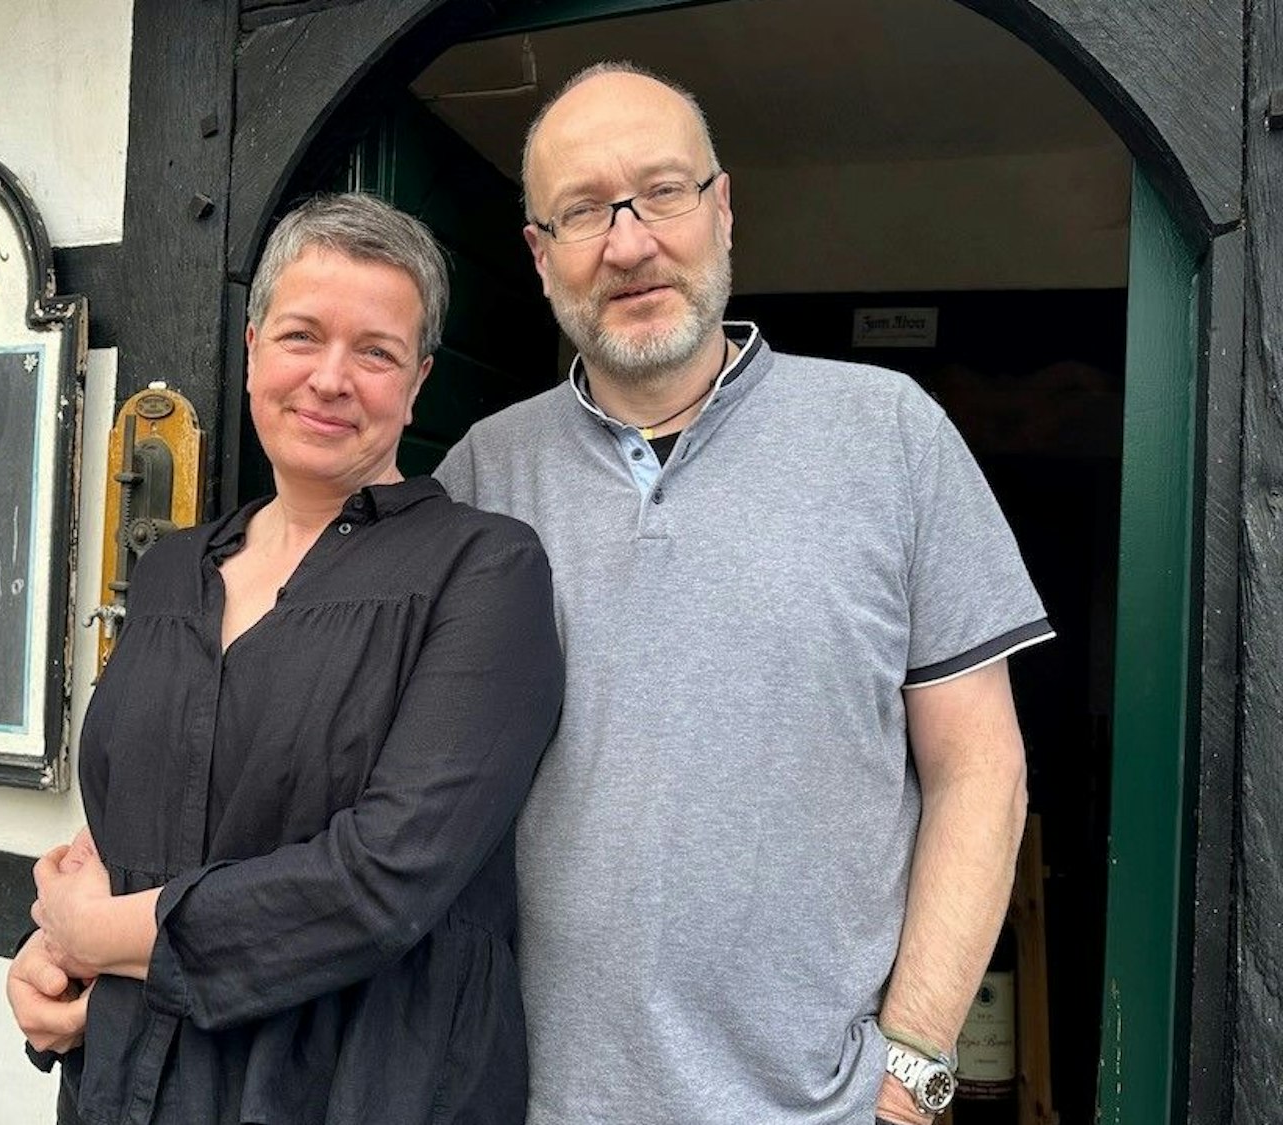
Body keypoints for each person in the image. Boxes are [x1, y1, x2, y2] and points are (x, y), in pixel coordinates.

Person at [431, 62, 1052, 1125]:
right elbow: (357, 763)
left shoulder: (887, 434)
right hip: (532, 1104)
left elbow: (978, 769)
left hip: (816, 1108)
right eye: (582, 210)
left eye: (661, 191)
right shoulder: (483, 474)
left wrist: (907, 1077)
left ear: (721, 210)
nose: (627, 242)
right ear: (538, 258)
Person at [6, 192, 564, 1124]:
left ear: (419, 379)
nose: (332, 378)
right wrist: (48, 960)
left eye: (376, 351)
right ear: (255, 344)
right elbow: (127, 816)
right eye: (303, 335)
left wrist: (98, 935)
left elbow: (381, 881)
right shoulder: (176, 568)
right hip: (134, 1083)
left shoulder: (485, 569)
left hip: (360, 1086)